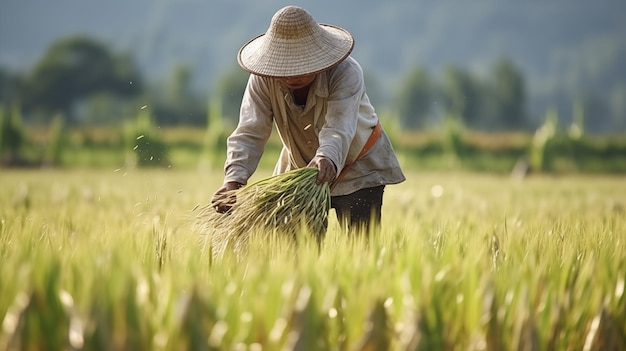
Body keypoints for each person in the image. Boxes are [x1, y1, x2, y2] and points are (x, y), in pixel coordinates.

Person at [211, 5, 405, 233]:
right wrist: (234, 181)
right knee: (297, 250)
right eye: (285, 67)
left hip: (359, 165)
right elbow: (250, 132)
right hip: (301, 167)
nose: (292, 75)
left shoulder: (345, 72)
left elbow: (339, 127)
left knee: (361, 246)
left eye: (301, 66)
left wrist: (326, 157)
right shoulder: (263, 80)